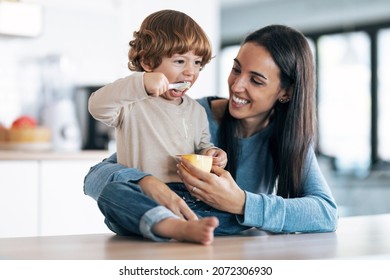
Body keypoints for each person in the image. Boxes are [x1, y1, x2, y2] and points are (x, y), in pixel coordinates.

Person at [84, 24, 338, 245]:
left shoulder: (289, 137)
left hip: (223, 245)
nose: (237, 86)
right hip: (162, 241)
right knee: (114, 195)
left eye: (256, 80)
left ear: (286, 93)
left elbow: (325, 213)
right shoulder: (191, 114)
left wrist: (240, 203)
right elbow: (95, 178)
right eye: (237, 69)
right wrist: (145, 182)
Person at [87, 9, 228, 245]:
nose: (190, 72)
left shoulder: (196, 110)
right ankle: (172, 225)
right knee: (113, 194)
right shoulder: (132, 103)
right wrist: (140, 83)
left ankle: (183, 224)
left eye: (197, 63)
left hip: (187, 197)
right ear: (148, 62)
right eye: (180, 61)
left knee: (233, 209)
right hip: (142, 195)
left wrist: (211, 154)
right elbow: (96, 106)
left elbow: (203, 145)